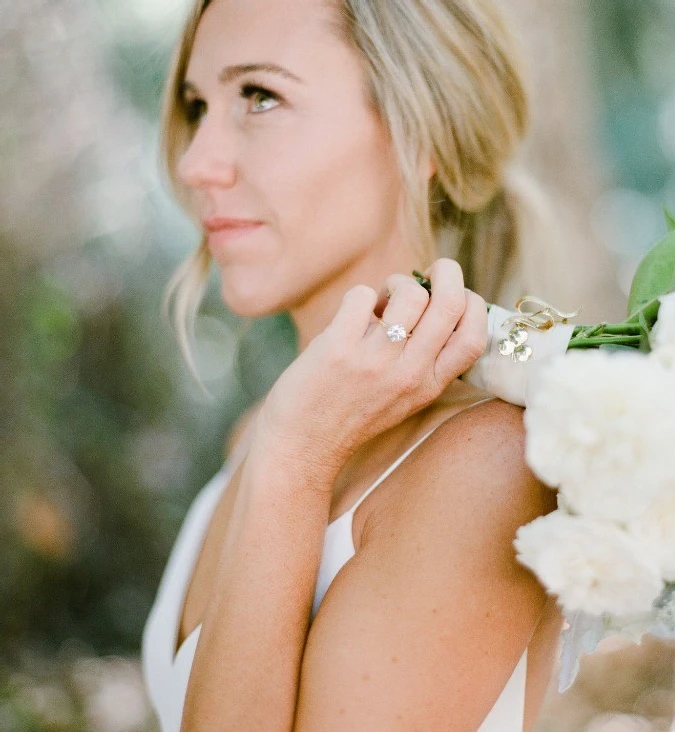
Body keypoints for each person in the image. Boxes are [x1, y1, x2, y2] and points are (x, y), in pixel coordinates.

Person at [140, 0, 564, 729]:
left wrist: (295, 459)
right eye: (195, 104)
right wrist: (290, 450)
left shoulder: (489, 466)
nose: (196, 163)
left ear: (422, 130)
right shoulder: (259, 437)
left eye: (260, 96)